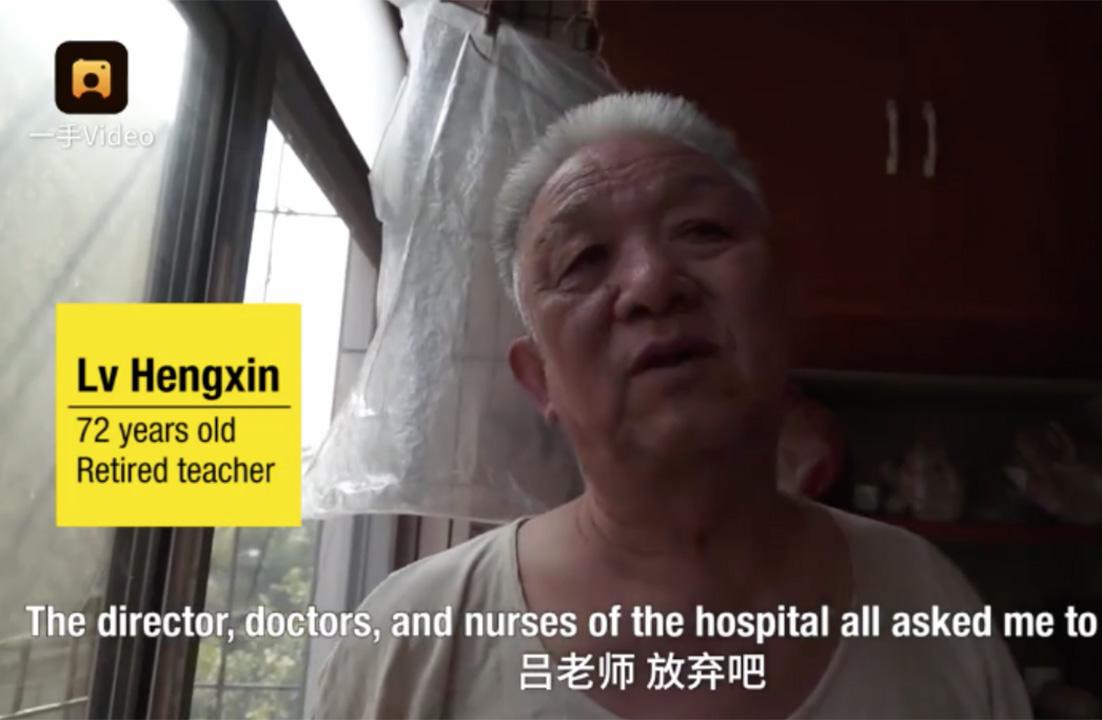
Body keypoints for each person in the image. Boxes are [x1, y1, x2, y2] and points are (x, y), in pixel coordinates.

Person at [312, 92, 1032, 719]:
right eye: (583, 259)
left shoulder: (927, 605)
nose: (652, 283)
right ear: (539, 381)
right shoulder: (413, 642)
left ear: (783, 308)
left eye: (702, 230)